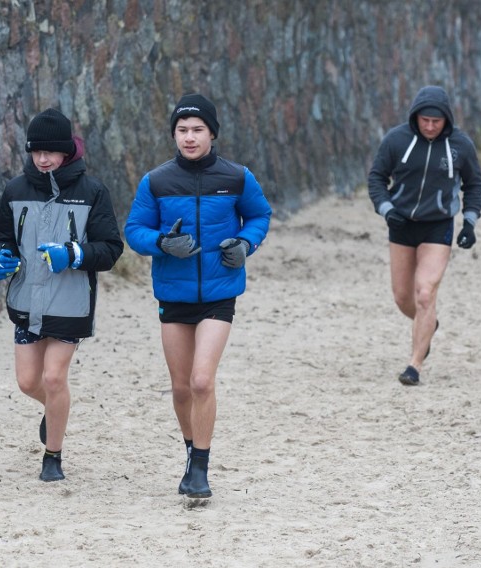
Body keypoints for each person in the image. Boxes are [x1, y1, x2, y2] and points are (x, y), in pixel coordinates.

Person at [124, 94, 272, 498]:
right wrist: (160, 242)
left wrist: (245, 243)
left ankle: (201, 469)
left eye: (197, 130)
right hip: (174, 295)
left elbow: (260, 215)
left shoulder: (238, 177)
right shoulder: (155, 181)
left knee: (202, 380)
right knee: (181, 388)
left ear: (212, 133)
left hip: (219, 294)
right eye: (182, 130)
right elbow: (134, 230)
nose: (189, 138)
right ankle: (191, 452)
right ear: (174, 134)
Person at [0, 108, 123, 481]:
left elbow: (111, 249)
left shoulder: (92, 192)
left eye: (50, 152)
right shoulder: (15, 190)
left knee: (52, 378)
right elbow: (4, 239)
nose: (43, 159)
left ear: (67, 152)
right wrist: (2, 259)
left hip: (71, 303)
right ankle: (56, 412)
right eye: (36, 152)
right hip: (25, 302)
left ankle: (53, 457)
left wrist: (75, 254)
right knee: (28, 382)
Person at [367, 85, 481, 386]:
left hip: (438, 225)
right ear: (415, 117)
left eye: (437, 121)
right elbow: (377, 177)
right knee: (403, 297)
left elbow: (474, 185)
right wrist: (386, 209)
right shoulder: (396, 140)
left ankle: (414, 365)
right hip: (401, 224)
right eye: (425, 120)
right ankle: (428, 323)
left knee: (425, 293)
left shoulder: (461, 146)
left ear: (447, 119)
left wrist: (469, 222)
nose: (431, 126)